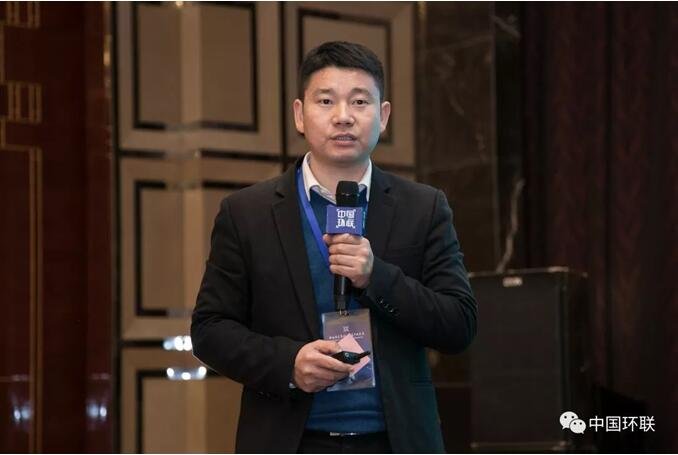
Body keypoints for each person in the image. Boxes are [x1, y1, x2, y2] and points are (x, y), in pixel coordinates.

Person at [191, 41, 477, 453]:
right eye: (326, 101)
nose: (343, 116)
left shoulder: (423, 208)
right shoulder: (247, 213)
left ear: (383, 116)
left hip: (396, 442)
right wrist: (289, 364)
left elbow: (459, 325)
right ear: (299, 114)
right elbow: (210, 330)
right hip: (290, 442)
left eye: (359, 101)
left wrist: (376, 276)